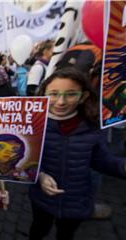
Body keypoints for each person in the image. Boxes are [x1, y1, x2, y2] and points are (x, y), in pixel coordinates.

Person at [28, 68, 126, 240]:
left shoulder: (92, 125)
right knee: (38, 230)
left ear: (84, 96)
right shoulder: (34, 124)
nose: (61, 102)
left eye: (71, 94)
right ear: (43, 94)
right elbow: (25, 160)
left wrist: (122, 166)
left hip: (76, 200)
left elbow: (100, 159)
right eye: (53, 94)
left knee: (66, 234)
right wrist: (40, 175)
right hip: (42, 198)